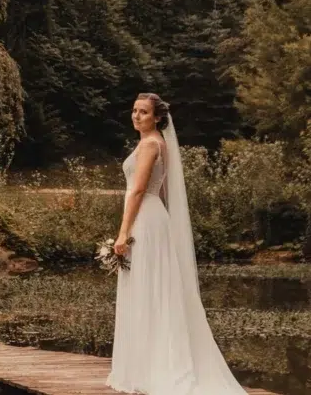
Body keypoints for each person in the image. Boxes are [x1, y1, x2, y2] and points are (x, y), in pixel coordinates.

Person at [106, 93, 248, 394]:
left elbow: (138, 190)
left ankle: (149, 367)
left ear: (157, 117)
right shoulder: (159, 143)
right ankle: (146, 363)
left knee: (147, 288)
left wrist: (122, 232)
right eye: (134, 110)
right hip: (155, 217)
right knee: (152, 288)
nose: (136, 116)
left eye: (143, 112)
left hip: (144, 218)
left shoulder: (149, 145)